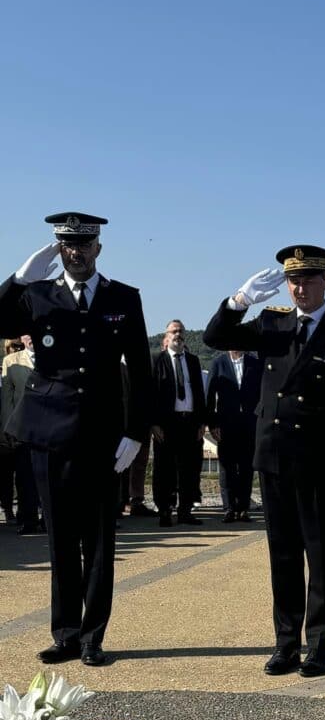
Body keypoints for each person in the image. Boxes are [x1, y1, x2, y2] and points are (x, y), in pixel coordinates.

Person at [203, 244, 325, 677]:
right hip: (275, 454)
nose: (300, 288)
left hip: (319, 458)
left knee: (320, 556)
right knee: (282, 556)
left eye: (309, 279)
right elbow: (215, 338)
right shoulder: (271, 323)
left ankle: (319, 646)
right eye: (294, 280)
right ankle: (286, 644)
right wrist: (238, 301)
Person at [0, 213, 151, 665]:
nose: (76, 252)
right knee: (60, 538)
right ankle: (65, 633)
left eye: (84, 245)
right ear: (58, 249)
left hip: (103, 435)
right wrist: (19, 278)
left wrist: (135, 433)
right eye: (67, 244)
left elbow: (142, 373)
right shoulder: (38, 295)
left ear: (98, 248)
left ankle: (92, 636)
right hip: (49, 432)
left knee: (99, 539)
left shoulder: (123, 298)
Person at [150, 320, 206, 527]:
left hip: (190, 422)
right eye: (174, 331)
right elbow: (151, 394)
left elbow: (199, 392)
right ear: (166, 335)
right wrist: (153, 423)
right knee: (164, 469)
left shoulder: (193, 360)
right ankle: (165, 510)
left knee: (190, 469)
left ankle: (186, 511)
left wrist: (202, 422)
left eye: (181, 330)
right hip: (167, 424)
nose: (178, 334)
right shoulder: (157, 360)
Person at [206, 349, 263, 521]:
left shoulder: (255, 363)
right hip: (226, 424)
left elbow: (263, 392)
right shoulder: (218, 363)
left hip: (249, 423)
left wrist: (259, 418)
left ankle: (243, 508)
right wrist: (212, 423)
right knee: (226, 467)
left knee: (247, 467)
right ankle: (229, 507)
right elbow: (209, 395)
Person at [1, 335, 43, 533]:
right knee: (25, 476)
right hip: (23, 426)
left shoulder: (53, 356)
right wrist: (8, 427)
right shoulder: (10, 361)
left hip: (49, 426)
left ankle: (49, 519)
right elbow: (7, 398)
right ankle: (28, 519)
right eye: (27, 335)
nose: (31, 338)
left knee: (47, 475)